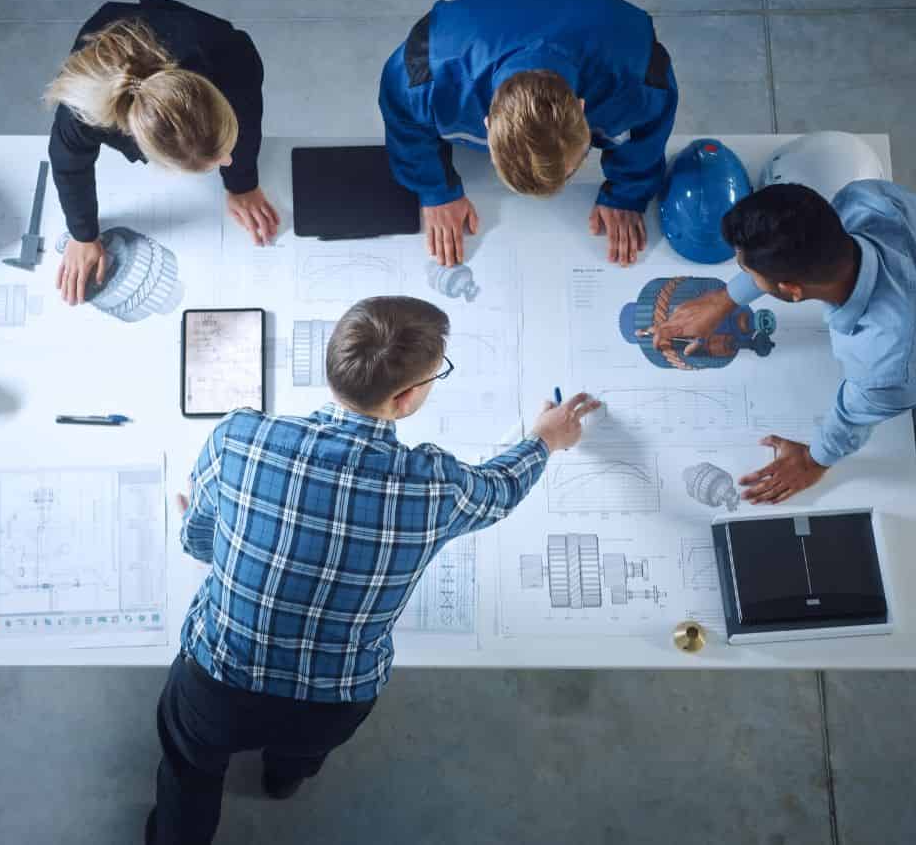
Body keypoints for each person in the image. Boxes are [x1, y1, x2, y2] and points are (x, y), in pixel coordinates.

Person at [148, 296, 600, 845]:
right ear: (406, 398)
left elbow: (198, 536)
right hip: (331, 702)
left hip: (214, 682)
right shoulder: (435, 485)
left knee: (188, 771)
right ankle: (282, 781)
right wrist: (547, 437)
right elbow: (500, 490)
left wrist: (204, 537)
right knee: (299, 755)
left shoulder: (239, 437)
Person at [648, 181, 916, 507]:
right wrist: (725, 298)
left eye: (747, 271)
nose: (742, 275)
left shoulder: (894, 356)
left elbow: (854, 416)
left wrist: (812, 460)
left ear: (792, 291)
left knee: (907, 461)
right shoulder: (870, 200)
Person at [378, 0, 679, 269]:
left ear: (582, 108)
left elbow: (649, 131)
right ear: (486, 124)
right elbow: (403, 119)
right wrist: (436, 191)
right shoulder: (427, 74)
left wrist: (628, 195)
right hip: (476, 21)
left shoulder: (640, 79)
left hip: (602, 23)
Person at [44, 0, 280, 306]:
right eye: (216, 162)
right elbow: (68, 164)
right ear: (153, 156)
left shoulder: (233, 56)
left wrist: (241, 182)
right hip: (109, 43)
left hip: (184, 36)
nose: (228, 160)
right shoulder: (81, 114)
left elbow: (246, 114)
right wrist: (83, 234)